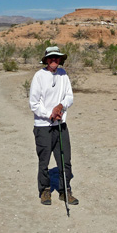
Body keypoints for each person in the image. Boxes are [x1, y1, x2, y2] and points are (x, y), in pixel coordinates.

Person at [29, 46, 79, 206]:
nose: (54, 60)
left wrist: (60, 107)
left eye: (56, 58)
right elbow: (34, 103)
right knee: (44, 161)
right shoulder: (39, 76)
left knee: (65, 160)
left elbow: (69, 96)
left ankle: (65, 191)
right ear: (46, 59)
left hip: (61, 124)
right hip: (43, 126)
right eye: (51, 58)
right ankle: (45, 190)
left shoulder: (64, 75)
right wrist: (49, 114)